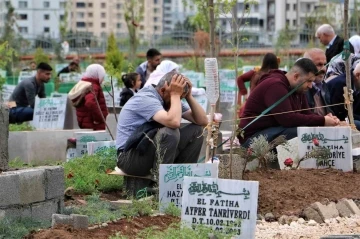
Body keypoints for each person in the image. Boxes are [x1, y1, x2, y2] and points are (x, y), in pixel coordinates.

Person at [116, 72, 208, 177]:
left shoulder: (168, 97)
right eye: (176, 95)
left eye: (180, 97)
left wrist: (189, 96)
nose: (177, 100)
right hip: (129, 158)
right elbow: (174, 122)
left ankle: (183, 178)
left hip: (146, 151)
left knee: (196, 131)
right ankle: (161, 184)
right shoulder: (146, 98)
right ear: (163, 90)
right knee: (170, 132)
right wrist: (175, 94)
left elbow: (203, 121)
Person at [238, 58, 340, 148]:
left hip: (271, 131)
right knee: (301, 132)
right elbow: (287, 119)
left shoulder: (297, 88)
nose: (310, 86)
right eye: (308, 81)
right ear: (295, 76)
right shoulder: (275, 85)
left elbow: (307, 114)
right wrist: (322, 121)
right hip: (252, 138)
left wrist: (327, 119)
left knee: (307, 130)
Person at [74, 64, 108, 130]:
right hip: (94, 125)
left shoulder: (84, 84)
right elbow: (90, 102)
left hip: (86, 122)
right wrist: (99, 118)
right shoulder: (93, 86)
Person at [327, 62, 360, 129]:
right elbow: (341, 113)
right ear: (358, 75)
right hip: (335, 119)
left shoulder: (356, 85)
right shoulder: (341, 85)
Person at [303, 48, 334, 116]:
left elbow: (330, 111)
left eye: (325, 64)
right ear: (306, 66)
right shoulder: (302, 89)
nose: (324, 69)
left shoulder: (323, 85)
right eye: (319, 65)